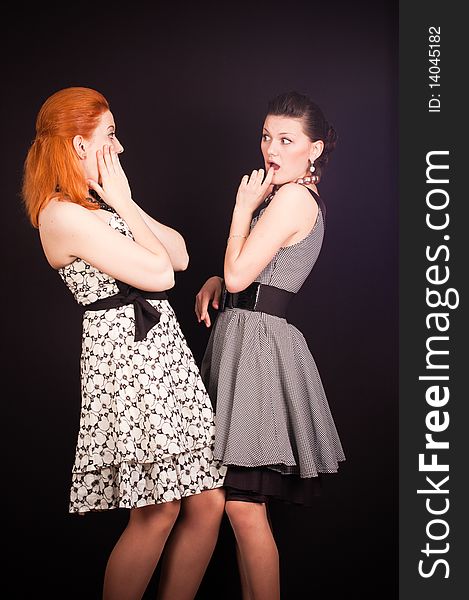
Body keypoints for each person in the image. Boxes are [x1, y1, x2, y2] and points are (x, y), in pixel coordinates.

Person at [21, 86, 227, 600]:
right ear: (77, 146)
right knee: (157, 511)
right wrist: (127, 208)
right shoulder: (60, 215)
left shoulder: (101, 205)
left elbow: (178, 254)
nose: (119, 147)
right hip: (128, 363)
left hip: (163, 356)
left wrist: (126, 203)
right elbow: (161, 274)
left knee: (207, 502)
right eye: (109, 135)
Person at [195, 90, 346, 599]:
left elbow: (243, 272)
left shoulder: (292, 198)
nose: (271, 150)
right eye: (266, 136)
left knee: (241, 504)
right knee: (222, 501)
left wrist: (242, 210)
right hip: (243, 339)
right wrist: (221, 278)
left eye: (286, 140)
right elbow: (249, 273)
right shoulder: (287, 196)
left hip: (257, 349)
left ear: (315, 149)